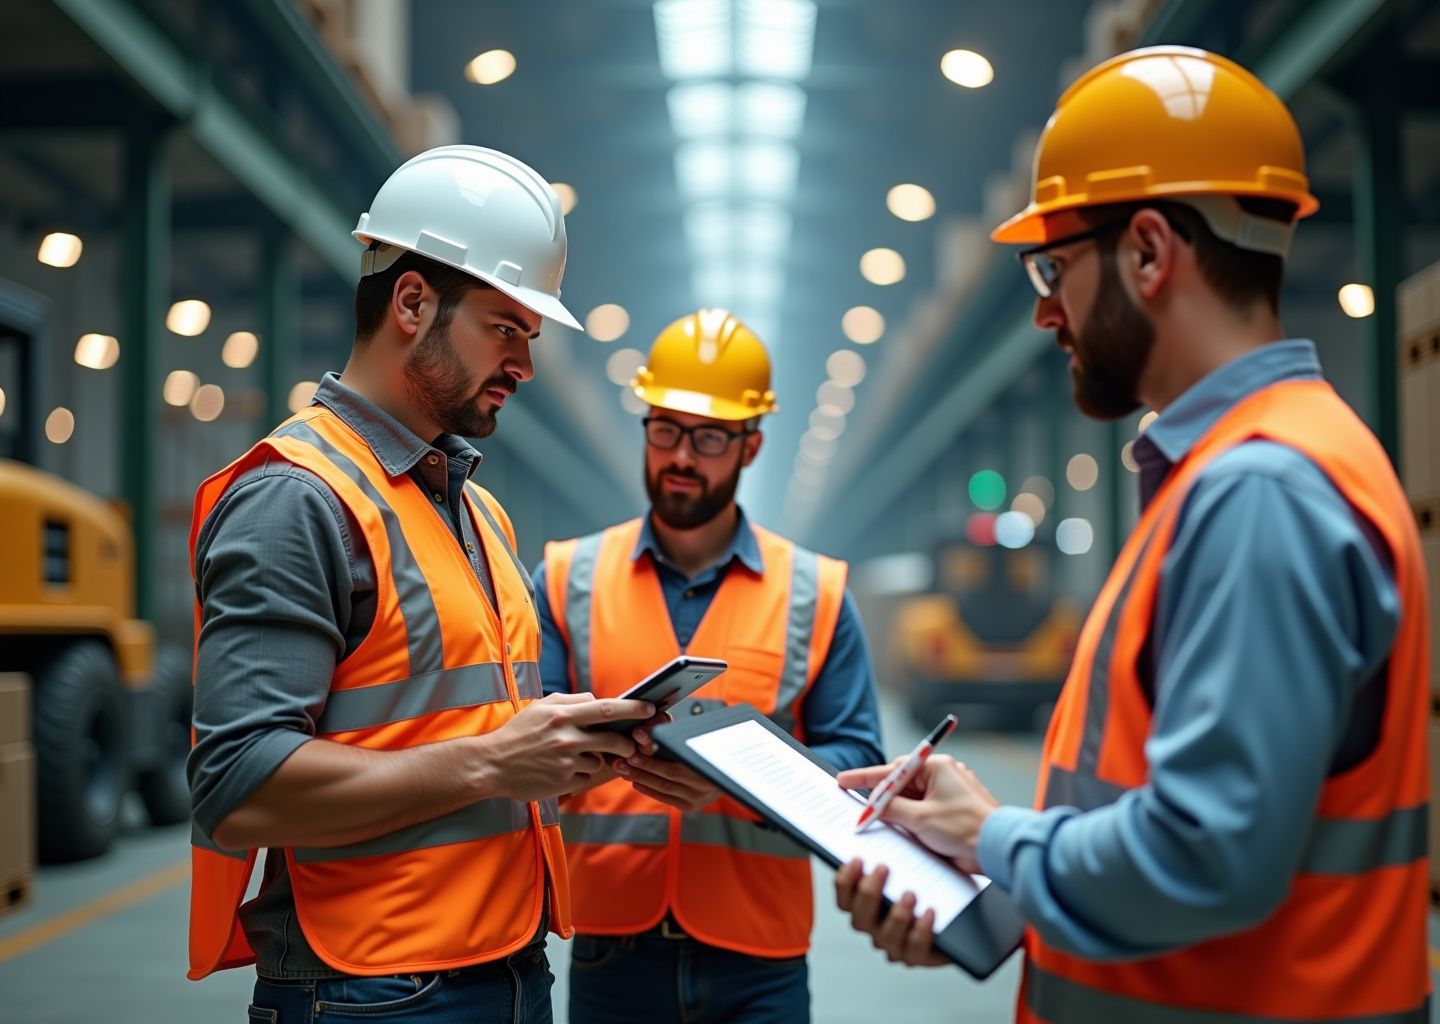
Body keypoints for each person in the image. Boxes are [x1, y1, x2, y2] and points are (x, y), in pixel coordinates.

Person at [834, 45, 1431, 1023]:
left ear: (1149, 253)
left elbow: (1204, 856)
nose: (1042, 308)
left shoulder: (1259, 494)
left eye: (1054, 265)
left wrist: (994, 838)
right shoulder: (1238, 473)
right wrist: (996, 889)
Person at [186, 145, 659, 1023]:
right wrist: (492, 762)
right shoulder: (297, 498)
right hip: (371, 991)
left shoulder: (477, 514)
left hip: (510, 969)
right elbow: (237, 788)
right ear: (411, 302)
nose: (523, 362)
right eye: (505, 327)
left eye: (531, 336)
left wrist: (582, 754)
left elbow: (460, 735)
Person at [534, 309, 886, 1023]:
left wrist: (736, 784)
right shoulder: (567, 576)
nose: (682, 456)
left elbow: (858, 768)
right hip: (611, 951)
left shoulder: (815, 591)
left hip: (758, 958)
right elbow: (526, 741)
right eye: (664, 429)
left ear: (752, 445)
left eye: (710, 438)